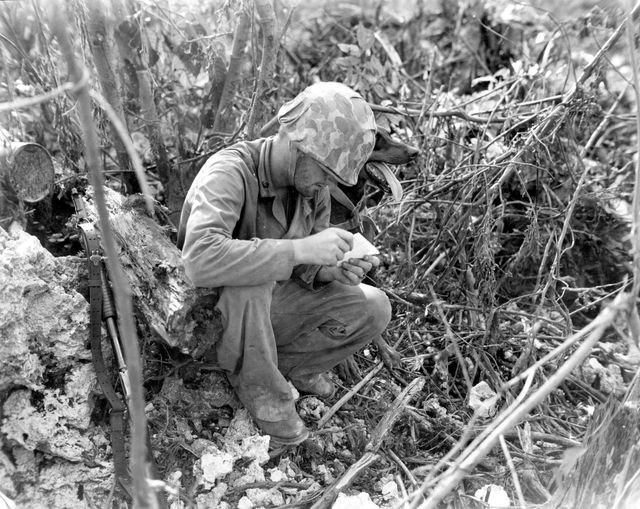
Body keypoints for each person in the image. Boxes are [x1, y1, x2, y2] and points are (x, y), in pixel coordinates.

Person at [177, 82, 392, 446]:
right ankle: (266, 399)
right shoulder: (229, 172)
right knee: (253, 278)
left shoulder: (312, 190)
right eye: (325, 172)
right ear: (297, 144)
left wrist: (328, 270)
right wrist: (300, 251)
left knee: (374, 306)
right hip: (209, 323)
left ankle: (292, 368)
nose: (326, 185)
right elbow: (199, 259)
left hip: (266, 315)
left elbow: (301, 266)